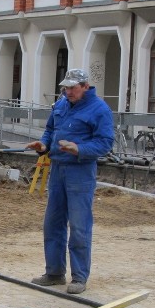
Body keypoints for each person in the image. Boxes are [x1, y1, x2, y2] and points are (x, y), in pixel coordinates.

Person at [25, 68, 114, 295]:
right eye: (65, 87)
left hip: (80, 172)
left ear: (85, 86)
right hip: (58, 169)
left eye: (72, 87)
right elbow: (50, 130)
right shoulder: (61, 104)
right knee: (52, 223)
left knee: (79, 226)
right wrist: (43, 146)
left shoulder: (100, 110)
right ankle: (54, 272)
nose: (67, 92)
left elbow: (105, 143)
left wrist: (80, 149)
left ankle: (79, 277)